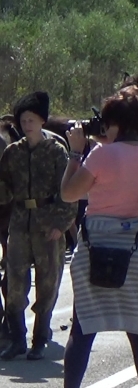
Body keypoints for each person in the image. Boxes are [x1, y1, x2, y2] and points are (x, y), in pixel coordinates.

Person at [59, 90, 138, 387]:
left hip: (95, 247)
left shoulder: (101, 154)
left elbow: (68, 193)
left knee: (82, 330)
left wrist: (75, 154)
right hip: (134, 250)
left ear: (114, 122)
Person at [0, 91, 78, 361]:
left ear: (42, 121)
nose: (27, 125)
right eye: (23, 120)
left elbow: (68, 192)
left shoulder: (56, 152)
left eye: (32, 119)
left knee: (48, 283)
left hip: (49, 223)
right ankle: (17, 338)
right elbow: (5, 190)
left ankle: (40, 340)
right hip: (20, 222)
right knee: (14, 283)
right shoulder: (12, 153)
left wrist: (61, 223)